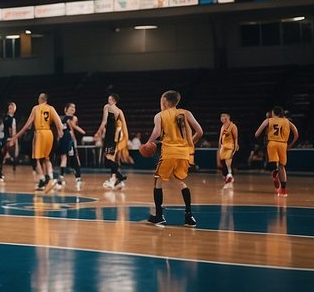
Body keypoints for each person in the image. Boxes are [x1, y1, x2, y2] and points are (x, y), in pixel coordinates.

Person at [144, 90, 204, 227]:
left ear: (164, 101)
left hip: (169, 152)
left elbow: (157, 132)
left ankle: (159, 216)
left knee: (158, 181)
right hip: (183, 154)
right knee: (180, 181)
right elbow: (200, 132)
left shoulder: (160, 115)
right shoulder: (186, 113)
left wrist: (148, 142)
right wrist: (189, 144)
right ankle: (189, 216)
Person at [8, 93, 64, 194]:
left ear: (39, 99)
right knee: (47, 158)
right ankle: (50, 178)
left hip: (40, 133)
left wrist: (15, 137)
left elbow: (27, 125)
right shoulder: (51, 108)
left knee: (36, 159)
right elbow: (59, 123)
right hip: (49, 134)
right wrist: (60, 132)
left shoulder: (36, 108)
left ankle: (42, 180)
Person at [254, 105, 299, 197]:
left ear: (274, 113)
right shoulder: (287, 121)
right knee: (282, 166)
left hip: (272, 143)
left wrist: (265, 135)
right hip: (283, 144)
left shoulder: (268, 120)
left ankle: (275, 172)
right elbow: (296, 134)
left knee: (273, 163)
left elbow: (256, 134)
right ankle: (283, 190)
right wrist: (290, 145)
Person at [92, 94, 131, 190]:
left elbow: (104, 121)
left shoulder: (107, 106)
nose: (108, 100)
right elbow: (123, 126)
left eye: (109, 98)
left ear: (113, 100)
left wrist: (98, 132)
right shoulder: (119, 111)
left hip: (110, 136)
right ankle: (116, 181)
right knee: (113, 158)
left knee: (108, 158)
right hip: (117, 137)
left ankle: (120, 175)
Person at [57, 103, 86, 190]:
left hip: (68, 139)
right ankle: (76, 179)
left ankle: (63, 178)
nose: (73, 109)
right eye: (71, 107)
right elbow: (71, 128)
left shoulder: (69, 118)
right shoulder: (65, 118)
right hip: (67, 139)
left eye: (74, 107)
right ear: (66, 109)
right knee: (68, 158)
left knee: (69, 158)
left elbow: (72, 128)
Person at [0, 102, 19, 181]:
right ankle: (0, 171)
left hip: (11, 138)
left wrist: (14, 139)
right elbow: (8, 129)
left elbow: (14, 130)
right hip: (6, 139)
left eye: (12, 108)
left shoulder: (14, 119)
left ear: (14, 109)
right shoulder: (6, 118)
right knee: (2, 154)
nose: (10, 109)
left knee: (12, 155)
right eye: (9, 108)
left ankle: (3, 170)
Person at [218, 113, 238, 188]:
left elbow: (236, 137)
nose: (222, 118)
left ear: (228, 117)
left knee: (228, 160)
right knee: (224, 162)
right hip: (224, 147)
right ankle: (229, 177)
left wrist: (236, 145)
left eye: (224, 116)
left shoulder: (233, 126)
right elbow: (220, 137)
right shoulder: (222, 126)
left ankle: (229, 174)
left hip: (230, 146)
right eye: (221, 116)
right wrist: (219, 145)